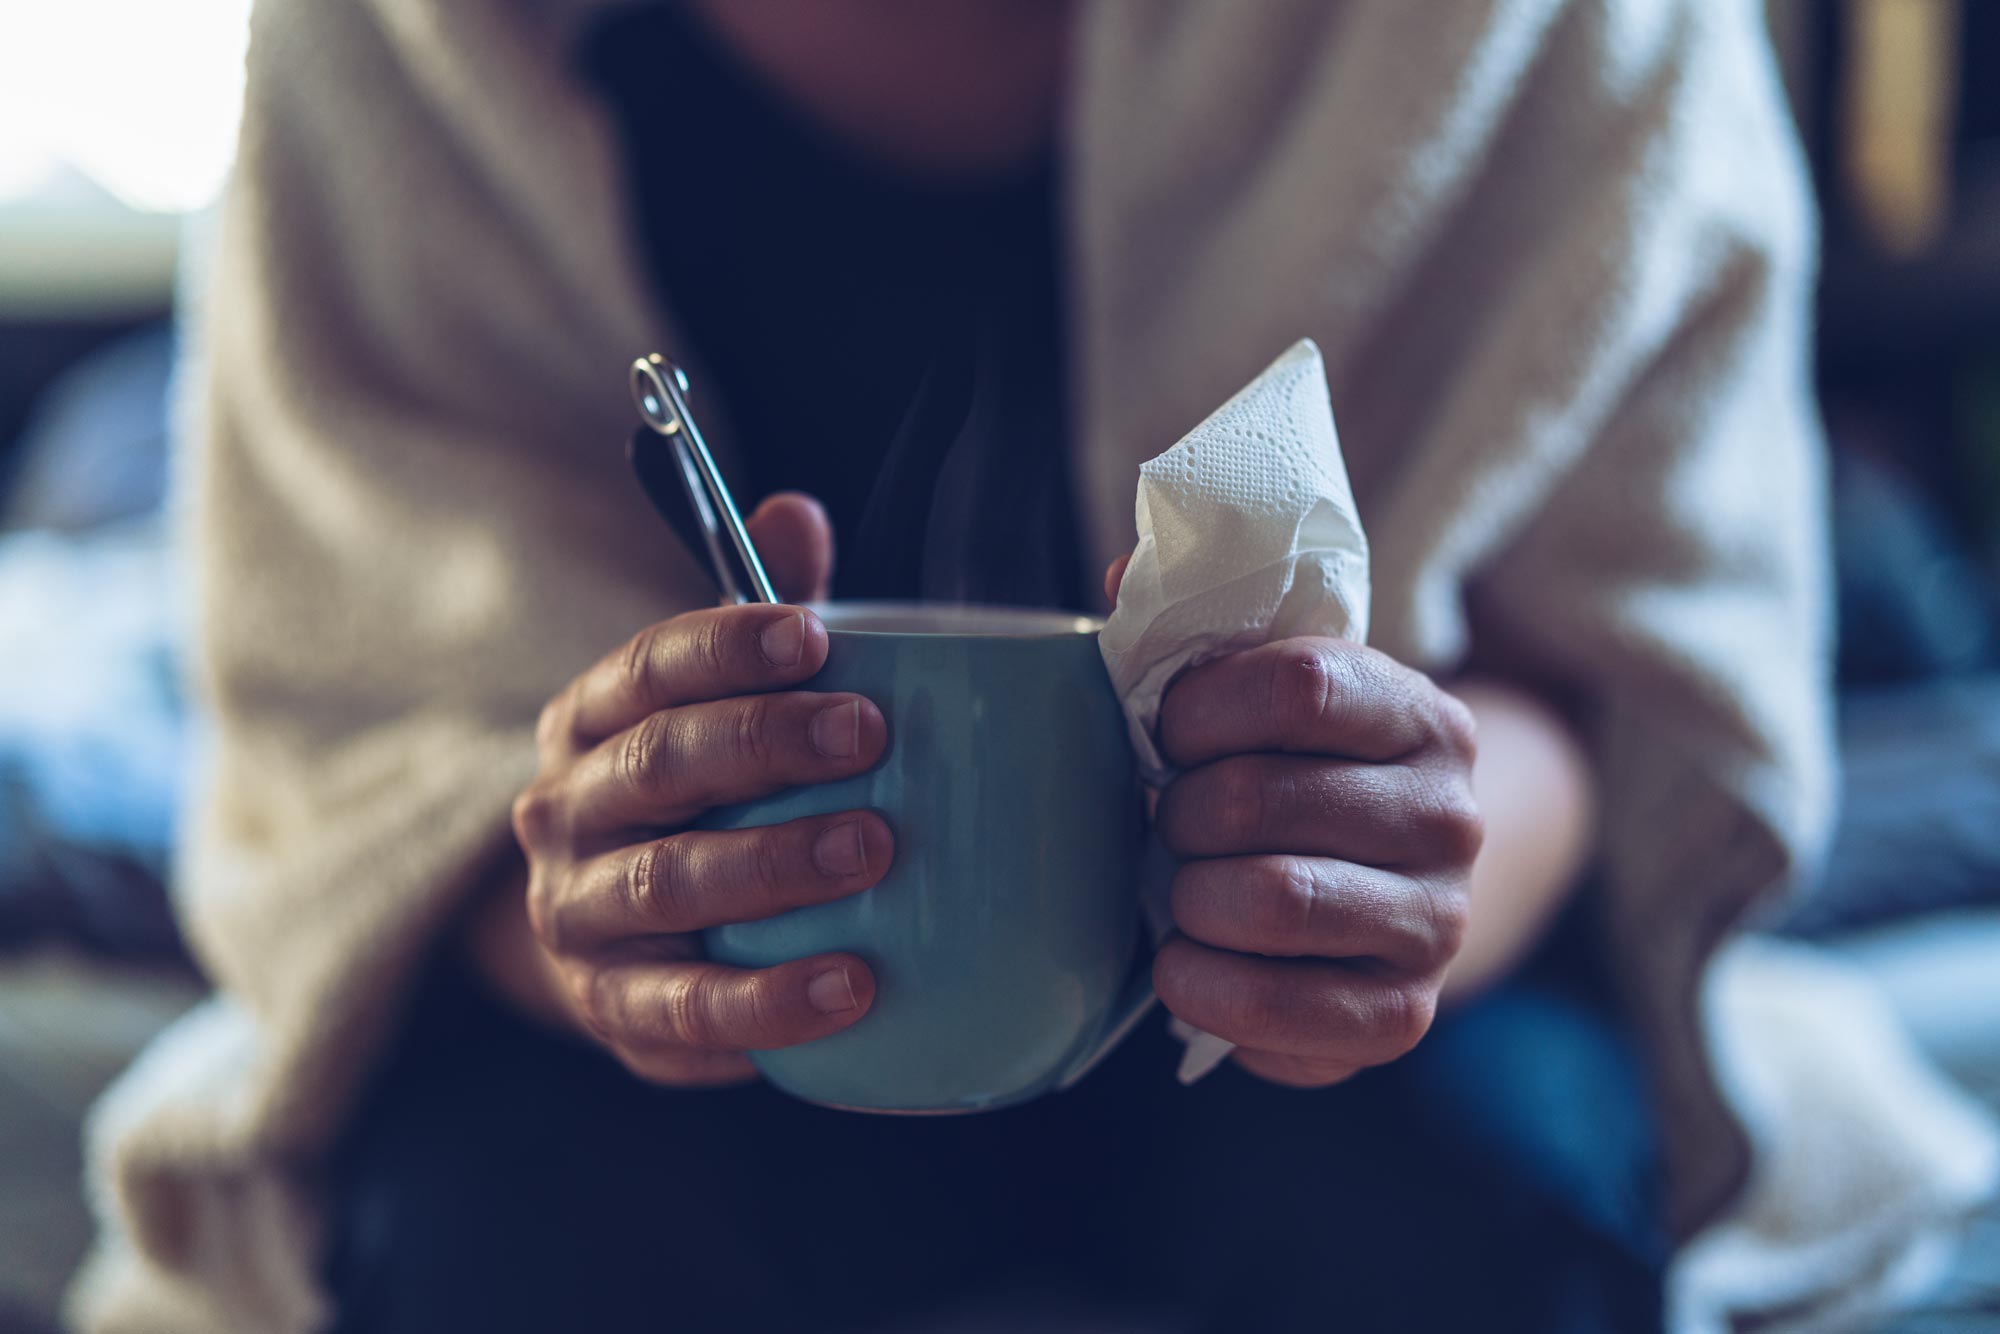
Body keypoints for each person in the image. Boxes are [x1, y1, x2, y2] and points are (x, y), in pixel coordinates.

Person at [72, 2, 1829, 1331]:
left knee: (1472, 1194)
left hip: (1342, 1042)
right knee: (504, 1224)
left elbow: (1621, 662)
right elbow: (360, 736)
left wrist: (1395, 856)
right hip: (677, 1064)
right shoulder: (395, 49)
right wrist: (599, 899)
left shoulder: (1546, 34)